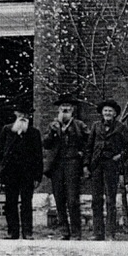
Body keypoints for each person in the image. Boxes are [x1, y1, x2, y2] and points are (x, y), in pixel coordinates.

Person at [42, 94, 89, 240]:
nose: (65, 109)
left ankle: (76, 233)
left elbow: (88, 144)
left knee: (73, 199)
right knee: (59, 199)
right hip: (56, 166)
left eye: (68, 107)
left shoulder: (80, 125)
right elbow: (46, 144)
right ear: (59, 109)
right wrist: (53, 132)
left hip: (73, 164)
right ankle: (64, 231)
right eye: (62, 107)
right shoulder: (52, 125)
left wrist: (83, 160)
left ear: (73, 109)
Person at [0, 105, 43, 240]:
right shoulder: (7, 130)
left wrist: (37, 176)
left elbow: (38, 156)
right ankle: (12, 232)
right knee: (10, 202)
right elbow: (0, 152)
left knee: (26, 202)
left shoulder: (34, 133)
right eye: (20, 113)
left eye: (25, 114)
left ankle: (27, 232)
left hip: (28, 173)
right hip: (10, 173)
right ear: (16, 113)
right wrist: (1, 171)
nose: (23, 116)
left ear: (29, 116)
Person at [86, 99, 128, 241]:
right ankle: (97, 232)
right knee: (96, 199)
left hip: (112, 166)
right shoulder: (95, 126)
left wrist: (119, 157)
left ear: (115, 113)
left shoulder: (121, 127)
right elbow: (89, 146)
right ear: (101, 113)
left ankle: (110, 233)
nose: (107, 113)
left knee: (111, 200)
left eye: (110, 111)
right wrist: (87, 165)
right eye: (105, 111)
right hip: (97, 165)